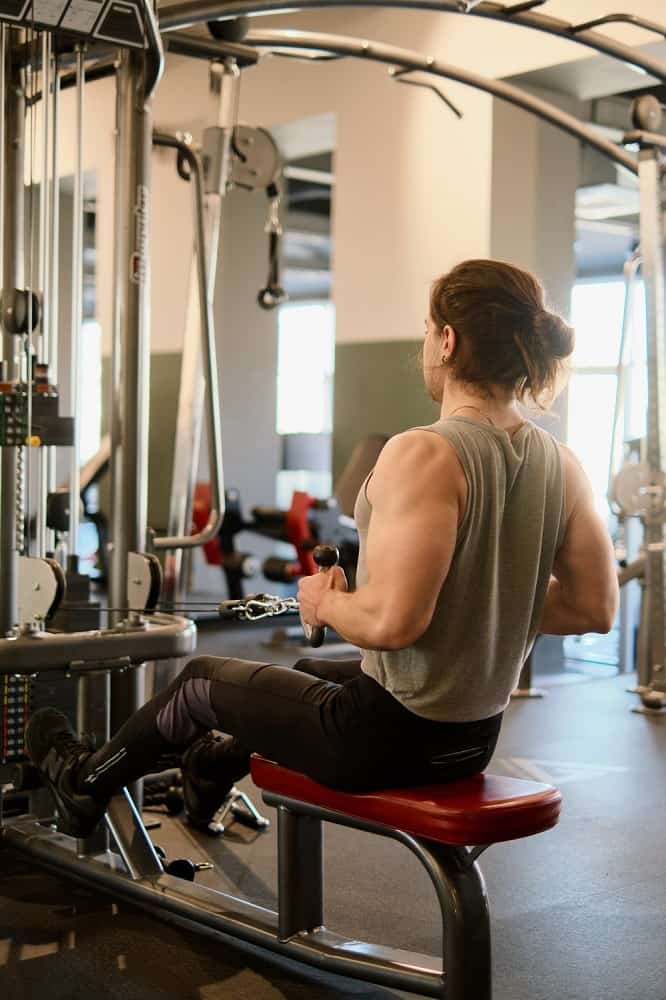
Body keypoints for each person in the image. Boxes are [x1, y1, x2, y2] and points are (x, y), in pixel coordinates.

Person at [26, 258, 619, 839]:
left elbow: (389, 622)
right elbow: (596, 608)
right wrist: (486, 594)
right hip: (471, 741)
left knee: (199, 681)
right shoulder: (562, 463)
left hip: (381, 742)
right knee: (309, 671)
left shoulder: (427, 452)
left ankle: (84, 785)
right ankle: (207, 774)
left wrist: (324, 602)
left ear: (446, 340)